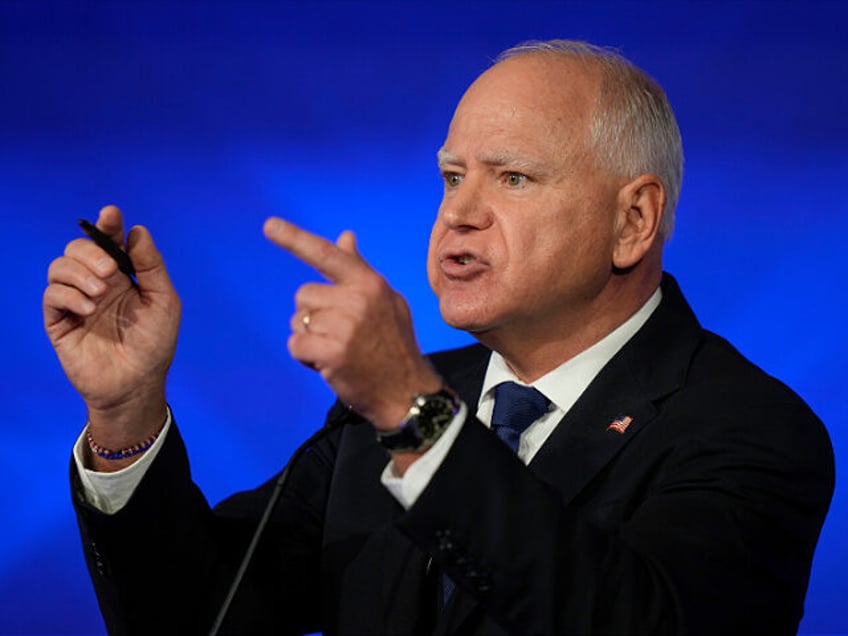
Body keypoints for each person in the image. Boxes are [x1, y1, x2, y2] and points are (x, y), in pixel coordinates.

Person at [44, 40, 833, 635]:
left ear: (633, 221)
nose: (460, 212)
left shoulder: (751, 431)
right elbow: (194, 615)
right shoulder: (376, 417)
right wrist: (127, 410)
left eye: (513, 178)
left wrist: (411, 408)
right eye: (453, 176)